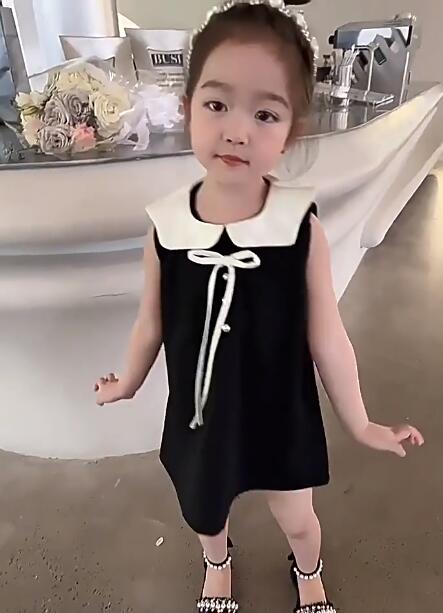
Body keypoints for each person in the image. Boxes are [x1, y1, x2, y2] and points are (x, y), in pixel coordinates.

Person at [94, 1, 424, 611]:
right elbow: (151, 322)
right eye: (217, 104)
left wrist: (359, 422)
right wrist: (128, 381)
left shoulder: (299, 226)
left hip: (279, 411)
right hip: (201, 415)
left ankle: (308, 569)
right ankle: (216, 563)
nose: (237, 130)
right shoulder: (166, 227)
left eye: (265, 113)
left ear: (291, 130)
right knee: (204, 510)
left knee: (298, 517)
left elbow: (328, 335)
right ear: (187, 106)